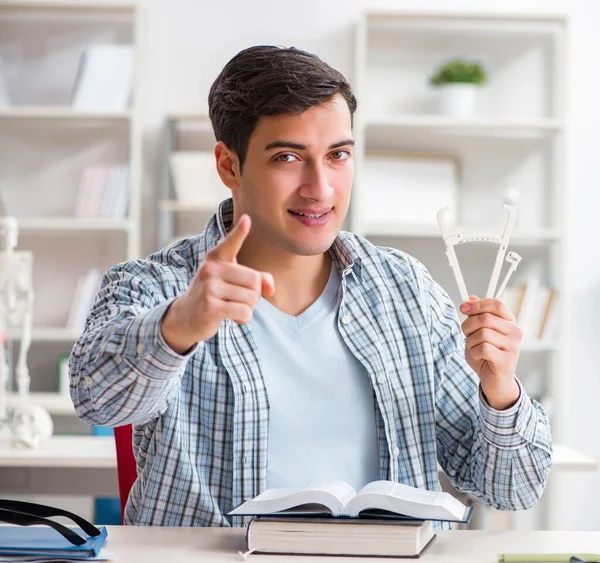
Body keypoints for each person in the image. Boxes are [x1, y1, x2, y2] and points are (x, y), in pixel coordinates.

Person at [69, 45, 552, 528]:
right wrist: (177, 327)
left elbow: (513, 488)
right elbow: (97, 400)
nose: (320, 187)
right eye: (288, 157)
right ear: (228, 166)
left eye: (338, 155)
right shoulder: (152, 285)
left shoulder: (407, 291)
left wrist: (501, 391)